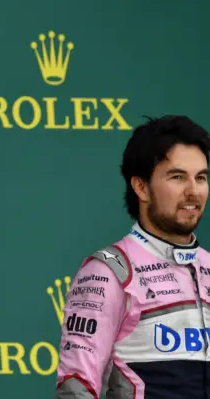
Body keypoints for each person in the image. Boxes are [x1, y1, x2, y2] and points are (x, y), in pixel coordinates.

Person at [55, 115, 210, 399]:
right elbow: (76, 388)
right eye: (177, 177)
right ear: (141, 187)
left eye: (201, 177)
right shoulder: (109, 272)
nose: (193, 191)